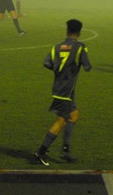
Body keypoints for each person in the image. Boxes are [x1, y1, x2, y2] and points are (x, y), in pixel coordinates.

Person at [34, 19, 92, 166]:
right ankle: (41, 152)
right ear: (79, 32)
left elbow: (46, 63)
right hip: (65, 92)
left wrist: (59, 71)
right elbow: (88, 67)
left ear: (67, 31)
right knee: (61, 121)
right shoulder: (80, 48)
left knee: (74, 115)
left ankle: (65, 150)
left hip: (60, 88)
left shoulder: (57, 47)